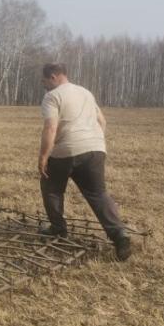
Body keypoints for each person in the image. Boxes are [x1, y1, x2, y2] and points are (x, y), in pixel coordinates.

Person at [37, 63, 132, 261]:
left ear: (53, 77)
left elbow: (50, 128)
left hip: (67, 150)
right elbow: (102, 121)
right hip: (96, 149)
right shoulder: (85, 93)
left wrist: (43, 156)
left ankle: (58, 229)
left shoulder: (52, 96)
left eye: (44, 80)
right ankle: (120, 236)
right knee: (98, 193)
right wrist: (93, 141)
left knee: (51, 187)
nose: (43, 84)